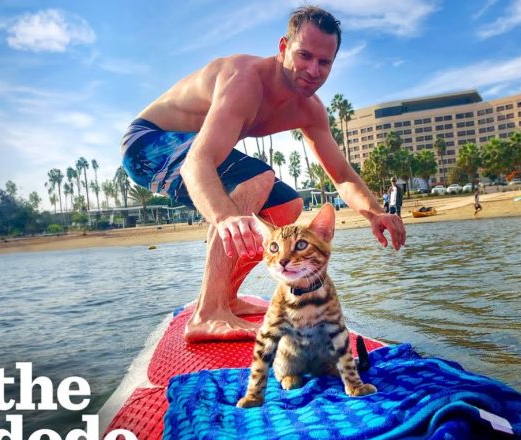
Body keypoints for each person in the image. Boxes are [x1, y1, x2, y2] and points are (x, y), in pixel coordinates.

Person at [120, 6, 406, 343]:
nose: (313, 70)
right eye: (304, 55)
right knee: (258, 178)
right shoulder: (244, 80)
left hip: (193, 151)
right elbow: (199, 161)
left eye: (324, 62)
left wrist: (375, 213)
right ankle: (207, 313)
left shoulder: (309, 110)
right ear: (283, 47)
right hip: (148, 145)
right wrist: (224, 216)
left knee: (287, 206)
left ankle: (226, 297)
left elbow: (341, 174)